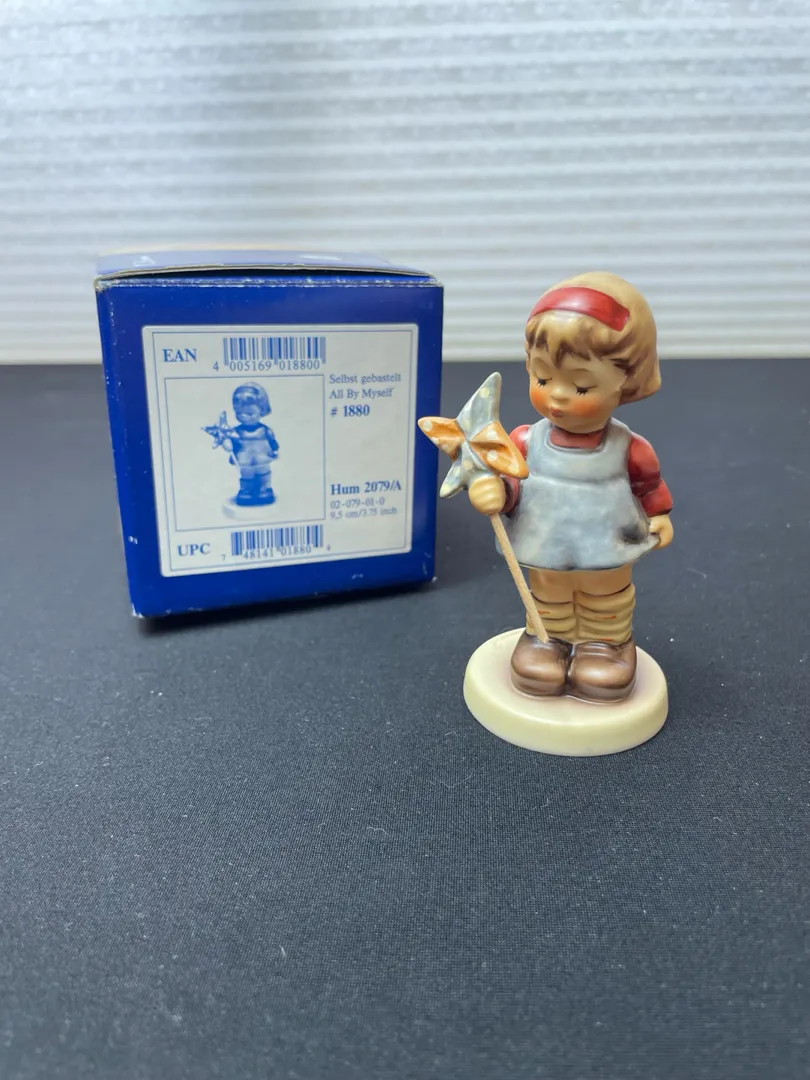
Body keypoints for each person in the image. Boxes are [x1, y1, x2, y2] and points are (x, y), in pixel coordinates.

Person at [467, 272, 673, 702]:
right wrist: (495, 493)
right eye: (543, 379)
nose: (558, 396)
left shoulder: (628, 447)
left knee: (606, 594)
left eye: (581, 385)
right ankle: (547, 640)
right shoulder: (525, 441)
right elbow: (510, 482)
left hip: (606, 545)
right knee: (548, 593)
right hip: (545, 542)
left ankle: (607, 645)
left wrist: (659, 515)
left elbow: (648, 484)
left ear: (626, 380)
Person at [204, 382, 279, 506]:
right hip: (244, 458)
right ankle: (246, 491)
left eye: (250, 414)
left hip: (262, 456)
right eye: (239, 413)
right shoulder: (236, 431)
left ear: (261, 411)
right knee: (246, 474)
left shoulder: (265, 430)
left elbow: (272, 441)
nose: (244, 417)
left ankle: (264, 489)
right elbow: (230, 441)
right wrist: (226, 443)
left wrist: (274, 450)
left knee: (263, 472)